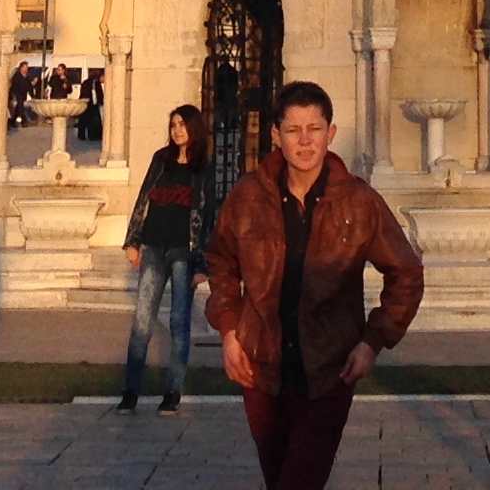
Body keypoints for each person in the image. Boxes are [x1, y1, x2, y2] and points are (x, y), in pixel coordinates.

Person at [207, 80, 425, 490]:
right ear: (276, 135)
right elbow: (221, 261)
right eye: (293, 130)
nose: (305, 141)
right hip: (261, 368)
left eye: (315, 129)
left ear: (331, 133)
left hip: (328, 370)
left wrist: (373, 339)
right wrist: (230, 329)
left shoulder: (358, 201)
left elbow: (406, 272)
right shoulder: (248, 196)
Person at [122, 104, 215, 410]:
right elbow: (143, 198)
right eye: (173, 125)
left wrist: (203, 265)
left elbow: (207, 218)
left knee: (178, 322)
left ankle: (172, 392)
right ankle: (131, 391)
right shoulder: (161, 159)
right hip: (153, 247)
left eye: (183, 125)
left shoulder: (202, 168)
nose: (177, 131)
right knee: (142, 321)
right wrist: (132, 241)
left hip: (183, 253)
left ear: (194, 128)